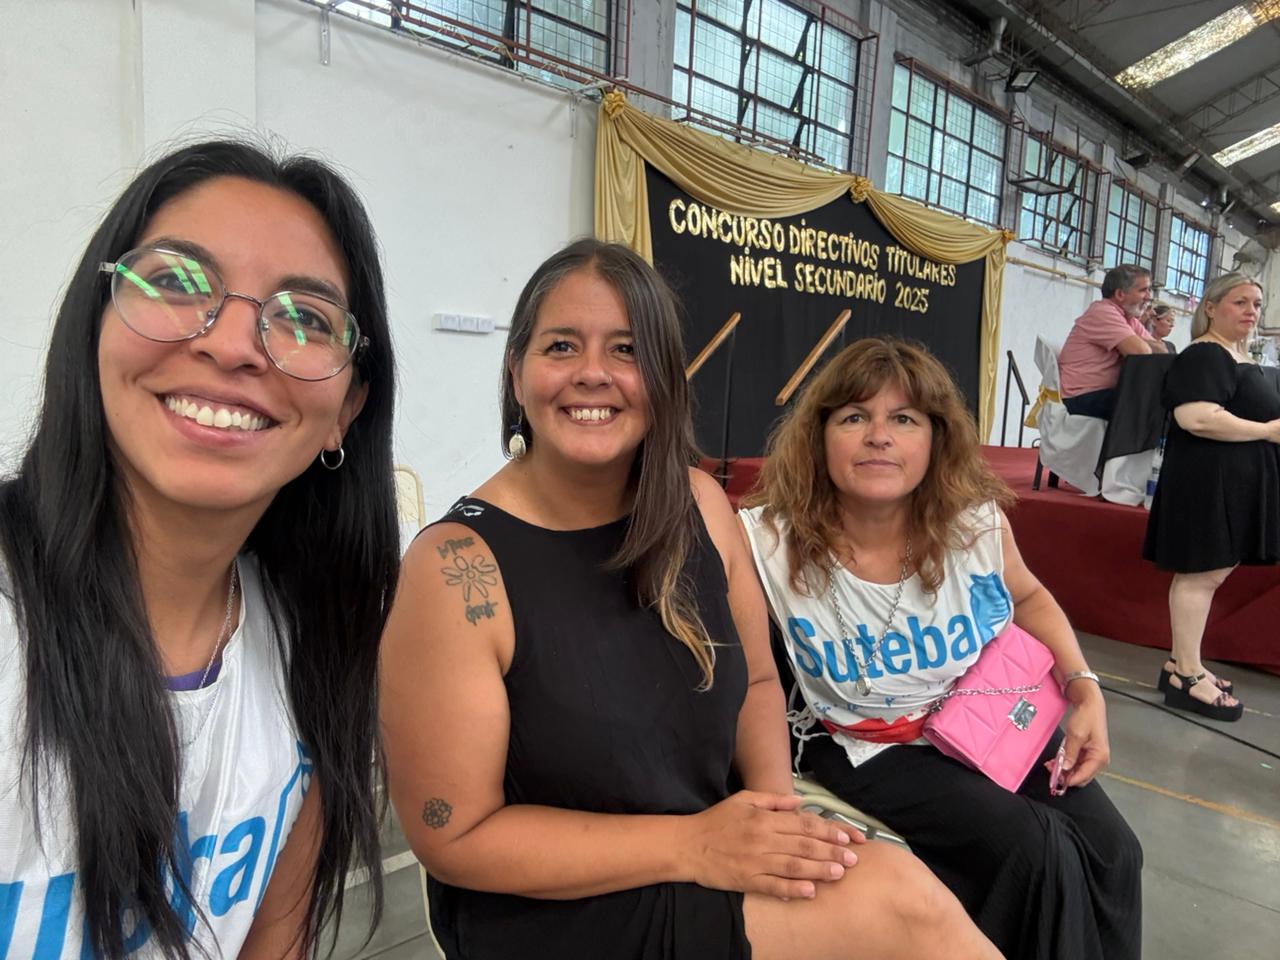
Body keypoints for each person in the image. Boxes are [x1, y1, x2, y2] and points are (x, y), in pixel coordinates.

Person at [381, 240, 1002, 960]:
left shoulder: (702, 505)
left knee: (908, 893)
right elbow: (454, 836)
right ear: (516, 373)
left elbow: (759, 682)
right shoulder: (456, 571)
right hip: (555, 905)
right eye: (561, 346)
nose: (592, 373)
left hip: (711, 844)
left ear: (665, 379)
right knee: (907, 909)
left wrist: (774, 814)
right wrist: (694, 845)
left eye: (626, 350)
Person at [0, 141, 399, 958]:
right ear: (95, 321)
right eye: (178, 282)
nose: (234, 344)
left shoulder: (313, 641)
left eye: (304, 318)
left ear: (347, 409)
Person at [739, 337, 1143, 960]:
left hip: (982, 718)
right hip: (867, 745)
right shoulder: (765, 541)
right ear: (819, 436)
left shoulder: (974, 524)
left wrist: (1084, 687)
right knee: (1035, 852)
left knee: (1116, 851)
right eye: (854, 417)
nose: (879, 436)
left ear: (936, 438)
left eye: (904, 419)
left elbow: (1029, 597)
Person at [1144, 273, 1277, 720]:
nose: (1251, 311)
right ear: (1211, 307)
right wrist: (1267, 431)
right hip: (1207, 483)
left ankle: (1182, 663)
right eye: (1240, 302)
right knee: (1200, 577)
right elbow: (1196, 417)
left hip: (1231, 481)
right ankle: (1187, 676)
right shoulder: (1204, 354)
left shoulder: (1235, 355)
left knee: (1207, 576)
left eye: (1256, 304)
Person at [1058, 263, 1165, 419]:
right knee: (1153, 404)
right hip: (1081, 397)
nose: (1149, 297)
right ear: (1120, 294)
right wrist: (1137, 343)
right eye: (1143, 290)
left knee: (1160, 401)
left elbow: (1162, 352)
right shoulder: (1102, 311)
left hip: (1101, 394)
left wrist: (1135, 341)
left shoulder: (1129, 319)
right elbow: (1141, 353)